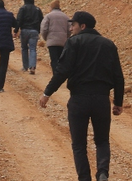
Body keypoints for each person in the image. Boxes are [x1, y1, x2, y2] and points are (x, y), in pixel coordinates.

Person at [39, 11, 124, 181]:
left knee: (79, 145)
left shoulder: (73, 43)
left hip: (79, 99)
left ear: (82, 26)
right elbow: (118, 76)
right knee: (102, 141)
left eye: (73, 25)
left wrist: (47, 92)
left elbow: (62, 71)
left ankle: (84, 178)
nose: (71, 28)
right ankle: (102, 173)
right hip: (101, 99)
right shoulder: (108, 45)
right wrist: (118, 102)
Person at [14, 0, 43, 74]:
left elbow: (19, 20)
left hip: (24, 31)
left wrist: (16, 30)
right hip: (34, 31)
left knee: (24, 48)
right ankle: (32, 66)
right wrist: (39, 30)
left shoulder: (22, 8)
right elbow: (42, 20)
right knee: (33, 49)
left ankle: (25, 67)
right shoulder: (37, 9)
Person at [39, 0, 70, 73]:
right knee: (60, 60)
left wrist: (46, 38)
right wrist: (66, 37)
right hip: (63, 41)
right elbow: (69, 29)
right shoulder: (65, 17)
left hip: (52, 42)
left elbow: (43, 29)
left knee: (54, 60)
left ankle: (55, 76)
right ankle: (60, 75)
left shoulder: (48, 16)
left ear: (51, 7)